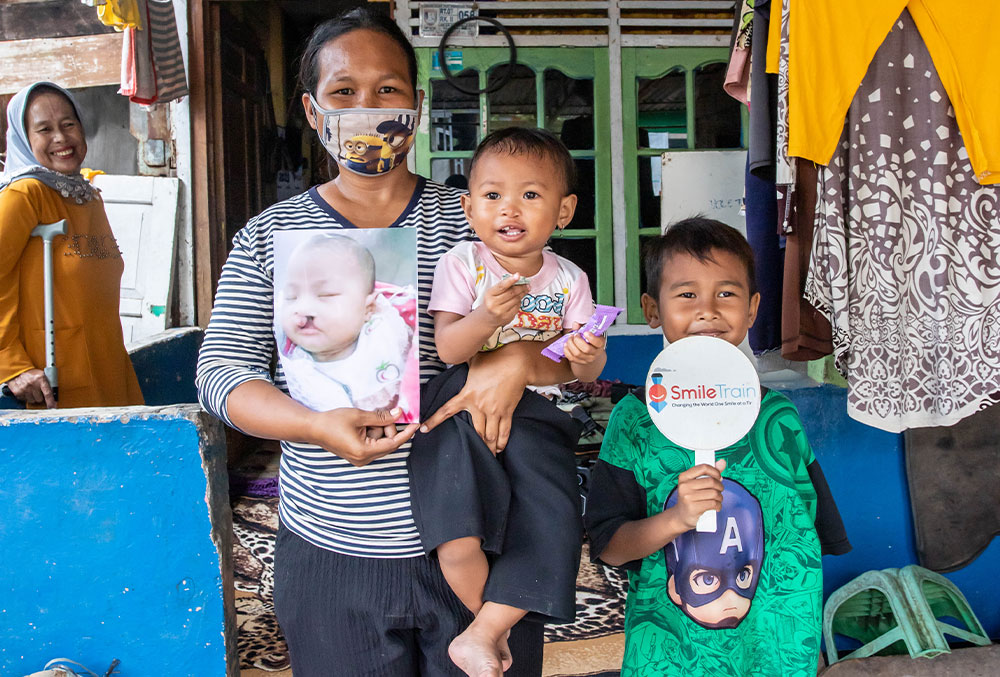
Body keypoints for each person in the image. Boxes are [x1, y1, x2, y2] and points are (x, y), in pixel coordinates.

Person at [195, 8, 581, 676]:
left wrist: (520, 358)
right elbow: (221, 373)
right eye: (344, 93)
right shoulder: (268, 236)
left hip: (481, 547)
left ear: (418, 105)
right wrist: (314, 423)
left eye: (388, 91)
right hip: (331, 556)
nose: (367, 108)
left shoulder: (481, 217)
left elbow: (563, 345)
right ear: (315, 113)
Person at [584, 217, 851, 676]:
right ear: (652, 310)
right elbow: (611, 547)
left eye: (726, 294)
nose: (707, 310)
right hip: (671, 654)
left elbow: (805, 541)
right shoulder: (633, 422)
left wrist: (807, 641)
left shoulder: (777, 417)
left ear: (752, 310)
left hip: (774, 652)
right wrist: (676, 519)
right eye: (686, 295)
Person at [409, 127, 606, 670]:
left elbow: (582, 367)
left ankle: (484, 632)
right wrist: (487, 317)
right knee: (456, 527)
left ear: (563, 211)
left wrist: (589, 350)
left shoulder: (569, 279)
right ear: (470, 208)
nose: (510, 209)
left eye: (531, 195)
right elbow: (449, 349)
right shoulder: (463, 264)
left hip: (540, 412)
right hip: (461, 401)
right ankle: (485, 626)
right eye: (493, 195)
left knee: (553, 516)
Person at [0, 81, 143, 409]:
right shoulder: (24, 195)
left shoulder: (85, 195)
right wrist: (11, 366)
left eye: (68, 124)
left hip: (109, 373)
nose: (61, 138)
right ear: (24, 138)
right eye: (44, 129)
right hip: (54, 386)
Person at [276, 232, 418, 419]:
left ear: (369, 308)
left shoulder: (391, 330)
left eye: (326, 295)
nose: (304, 308)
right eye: (291, 297)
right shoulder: (297, 367)